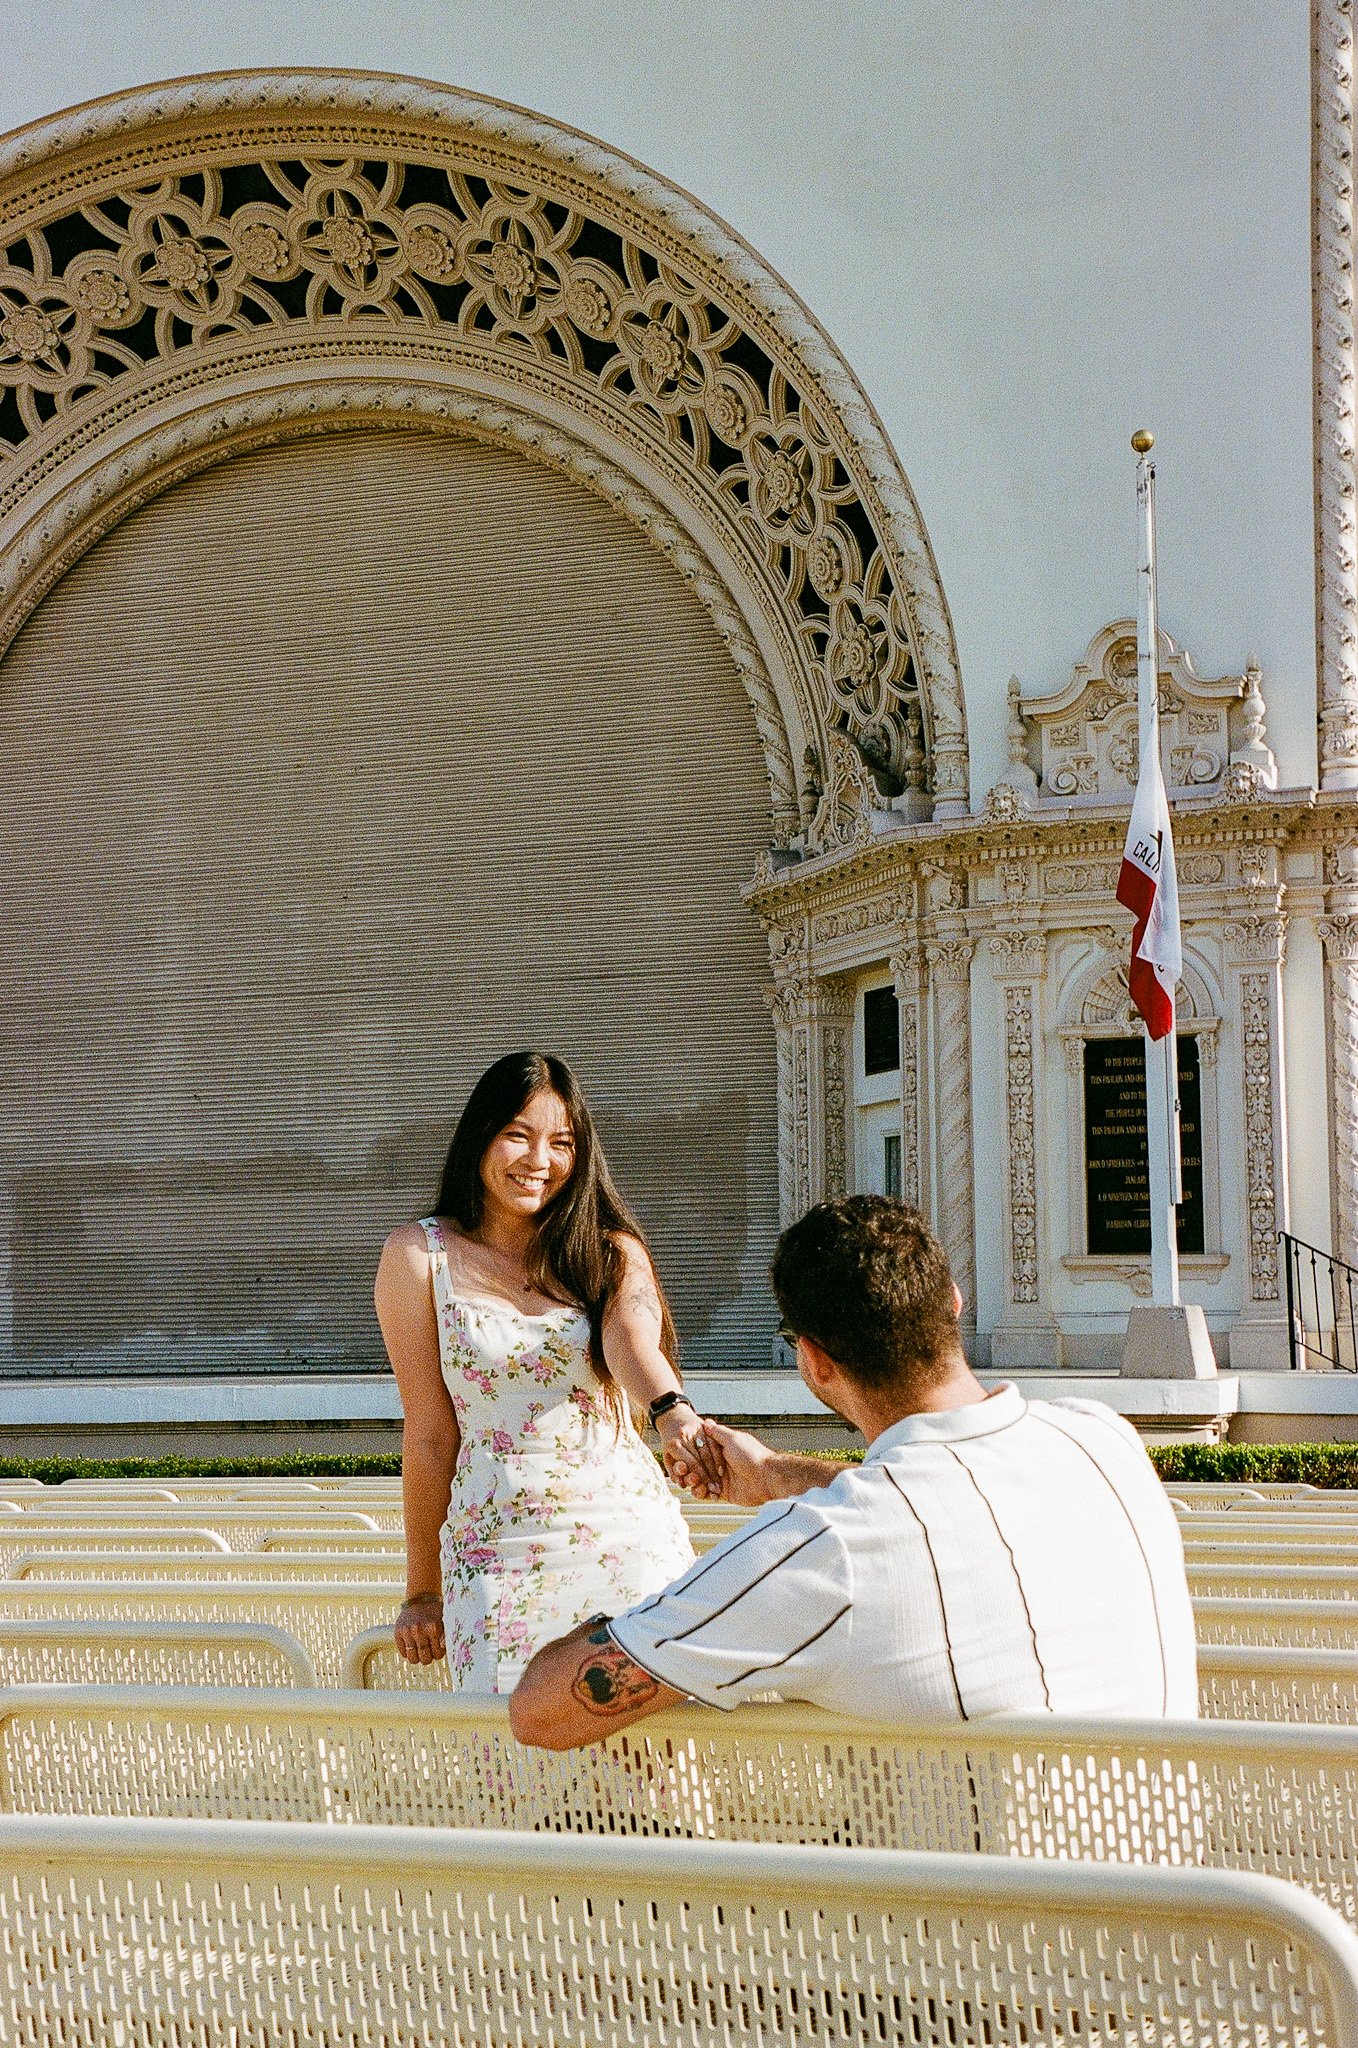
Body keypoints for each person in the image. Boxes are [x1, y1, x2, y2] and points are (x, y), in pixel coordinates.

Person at [510, 1194, 1198, 1747]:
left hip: (969, 1919)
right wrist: (778, 1473)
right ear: (953, 1303)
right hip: (1190, 1902)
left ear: (814, 1361)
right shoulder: (1101, 1438)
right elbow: (947, 1500)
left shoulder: (820, 1551)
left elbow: (543, 1711)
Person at [375, 1049, 721, 1691]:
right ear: (480, 1138)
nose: (540, 1161)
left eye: (561, 1142)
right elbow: (428, 1433)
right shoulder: (418, 1257)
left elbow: (632, 1342)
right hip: (497, 1547)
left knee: (656, 1762)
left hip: (626, 1538)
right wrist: (421, 1591)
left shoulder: (611, 1249)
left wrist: (673, 1413)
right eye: (518, 1136)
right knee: (514, 1768)